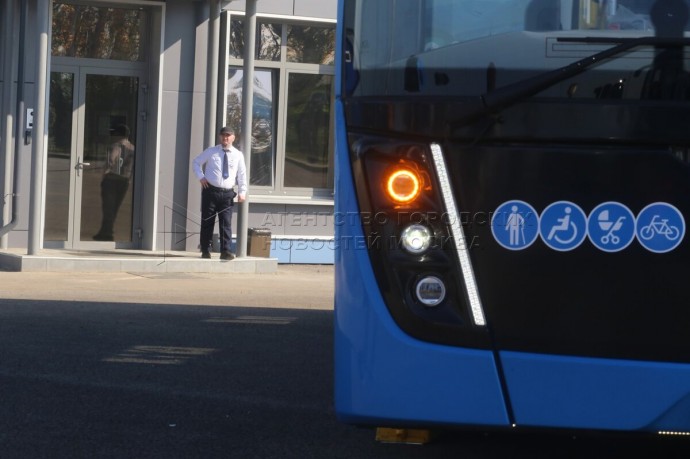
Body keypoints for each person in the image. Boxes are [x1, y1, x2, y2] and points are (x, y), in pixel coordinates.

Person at [192, 126, 247, 259]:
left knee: (226, 223)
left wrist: (242, 191)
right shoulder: (212, 151)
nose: (225, 138)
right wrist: (201, 177)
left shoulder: (238, 155)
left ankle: (225, 251)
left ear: (233, 138)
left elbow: (242, 174)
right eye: (223, 135)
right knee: (207, 221)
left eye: (228, 136)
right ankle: (205, 249)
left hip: (227, 194)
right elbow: (196, 162)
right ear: (219, 137)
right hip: (210, 191)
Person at [94, 124, 135, 241]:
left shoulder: (116, 146)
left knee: (108, 208)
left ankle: (107, 233)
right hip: (125, 181)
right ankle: (105, 231)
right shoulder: (133, 148)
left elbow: (111, 159)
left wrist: (105, 172)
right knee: (115, 208)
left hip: (111, 180)